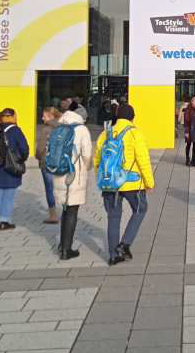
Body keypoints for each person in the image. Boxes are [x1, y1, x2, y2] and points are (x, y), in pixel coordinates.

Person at [94, 103, 155, 265]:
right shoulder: (135, 134)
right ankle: (125, 243)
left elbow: (97, 161)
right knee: (140, 209)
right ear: (132, 117)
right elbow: (143, 161)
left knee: (113, 217)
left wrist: (102, 180)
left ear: (117, 116)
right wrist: (149, 182)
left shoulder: (104, 135)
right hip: (131, 183)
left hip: (110, 183)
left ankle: (113, 256)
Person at [52, 107, 93, 259]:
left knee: (65, 209)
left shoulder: (59, 126)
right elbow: (87, 156)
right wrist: (87, 168)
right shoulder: (82, 129)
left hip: (58, 172)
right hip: (74, 173)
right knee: (72, 211)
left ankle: (62, 244)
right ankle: (66, 250)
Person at [0, 108, 29, 231]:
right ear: (13, 116)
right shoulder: (15, 130)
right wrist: (21, 158)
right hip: (11, 166)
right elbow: (24, 148)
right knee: (9, 194)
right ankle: (4, 221)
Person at [35, 107, 62, 224]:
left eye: (44, 116)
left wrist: (38, 156)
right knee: (62, 187)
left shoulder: (46, 130)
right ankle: (67, 211)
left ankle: (53, 214)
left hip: (47, 162)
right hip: (61, 162)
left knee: (50, 188)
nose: (42, 118)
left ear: (51, 117)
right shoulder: (63, 128)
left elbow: (41, 148)